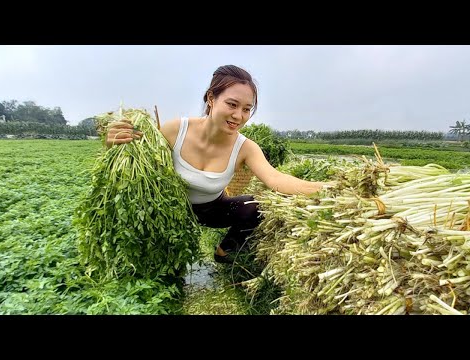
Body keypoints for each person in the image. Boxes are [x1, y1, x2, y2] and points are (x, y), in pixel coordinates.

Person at [106, 64, 332, 264]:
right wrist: (116, 146)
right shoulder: (175, 130)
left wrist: (328, 189)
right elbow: (138, 166)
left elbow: (275, 179)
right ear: (211, 98)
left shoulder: (246, 147)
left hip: (212, 210)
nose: (238, 116)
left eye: (246, 109)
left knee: (255, 204)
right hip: (169, 209)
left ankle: (224, 252)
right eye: (232, 104)